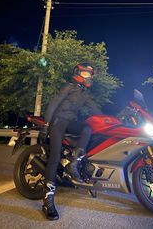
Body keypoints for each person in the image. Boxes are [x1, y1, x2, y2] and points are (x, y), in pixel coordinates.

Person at [42, 62, 101, 220]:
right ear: (78, 73)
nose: (89, 77)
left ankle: (73, 163)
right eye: (86, 74)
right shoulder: (68, 87)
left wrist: (116, 119)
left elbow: (96, 110)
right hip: (58, 123)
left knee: (87, 129)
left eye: (90, 75)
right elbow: (53, 104)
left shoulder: (84, 94)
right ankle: (48, 201)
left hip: (69, 124)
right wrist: (46, 125)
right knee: (54, 158)